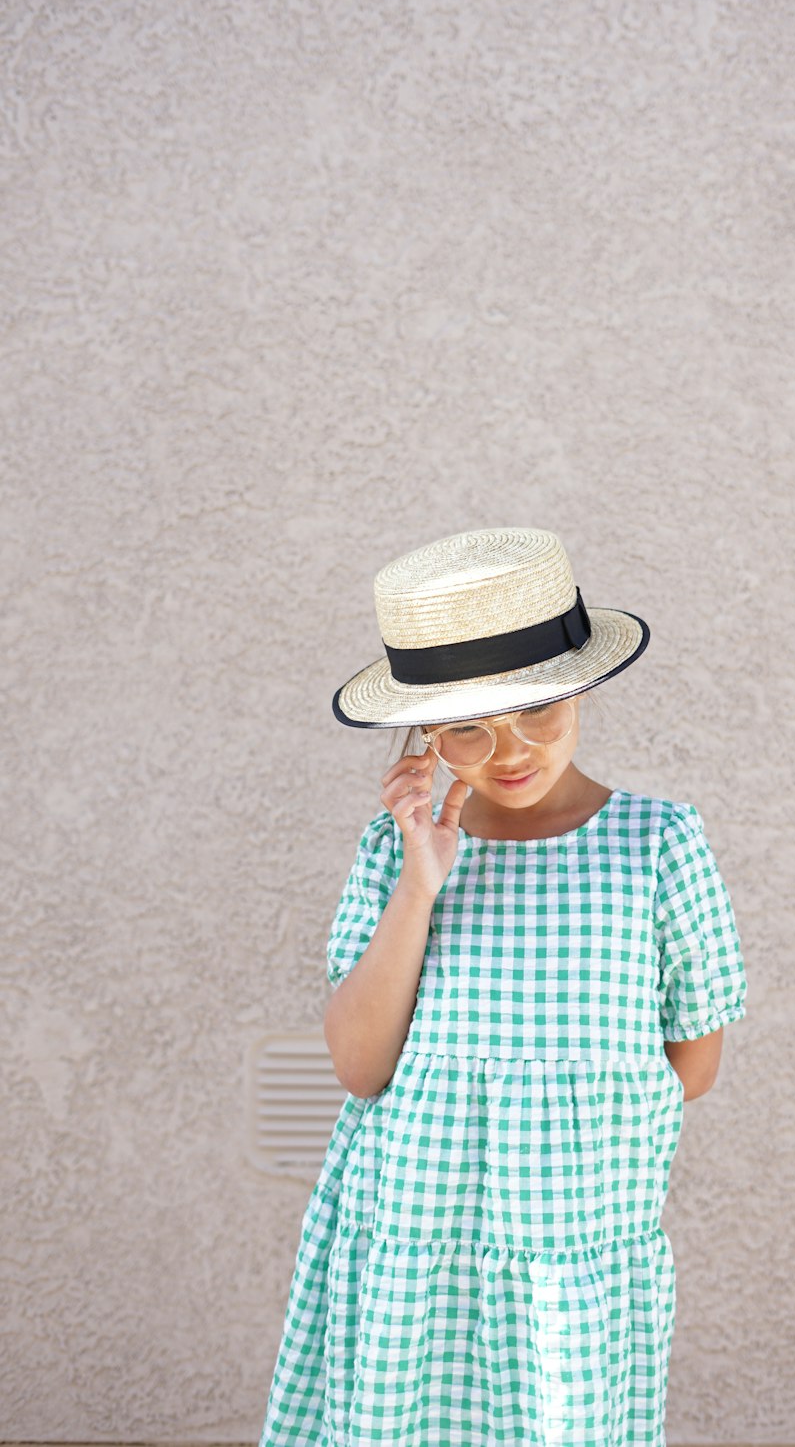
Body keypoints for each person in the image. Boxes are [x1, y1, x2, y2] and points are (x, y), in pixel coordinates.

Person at [258, 525, 748, 1447]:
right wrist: (421, 879)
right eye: (469, 729)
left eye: (538, 714)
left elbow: (693, 1063)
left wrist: (545, 1135)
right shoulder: (396, 854)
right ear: (424, 734)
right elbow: (362, 1071)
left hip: (568, 1247)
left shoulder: (658, 847)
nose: (511, 751)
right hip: (409, 1237)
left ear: (582, 690)